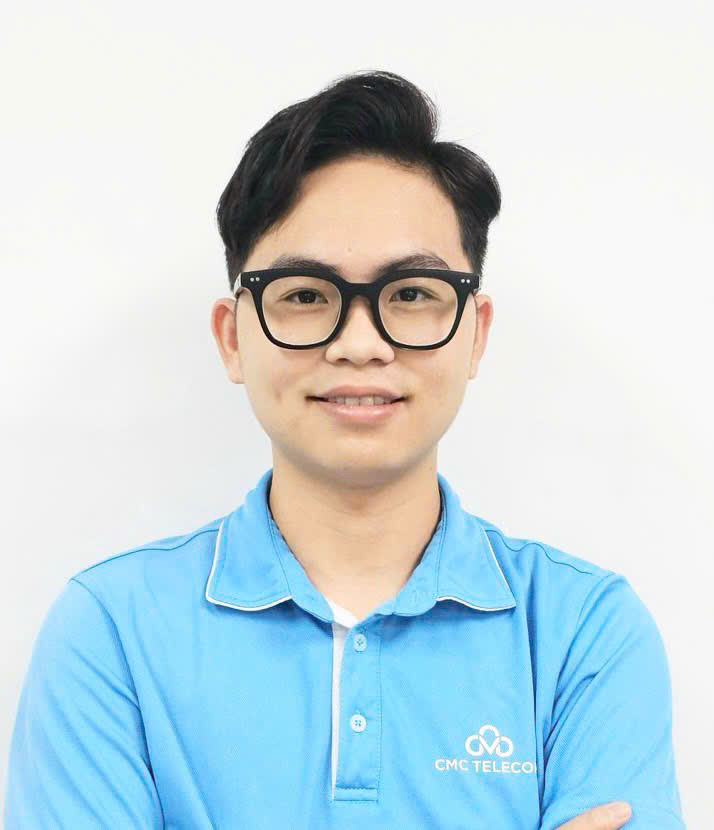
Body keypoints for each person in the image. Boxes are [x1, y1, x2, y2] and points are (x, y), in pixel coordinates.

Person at [4, 71, 684, 829]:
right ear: (232, 337)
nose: (361, 344)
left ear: (475, 333)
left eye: (412, 293)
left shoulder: (583, 631)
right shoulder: (111, 630)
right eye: (305, 294)